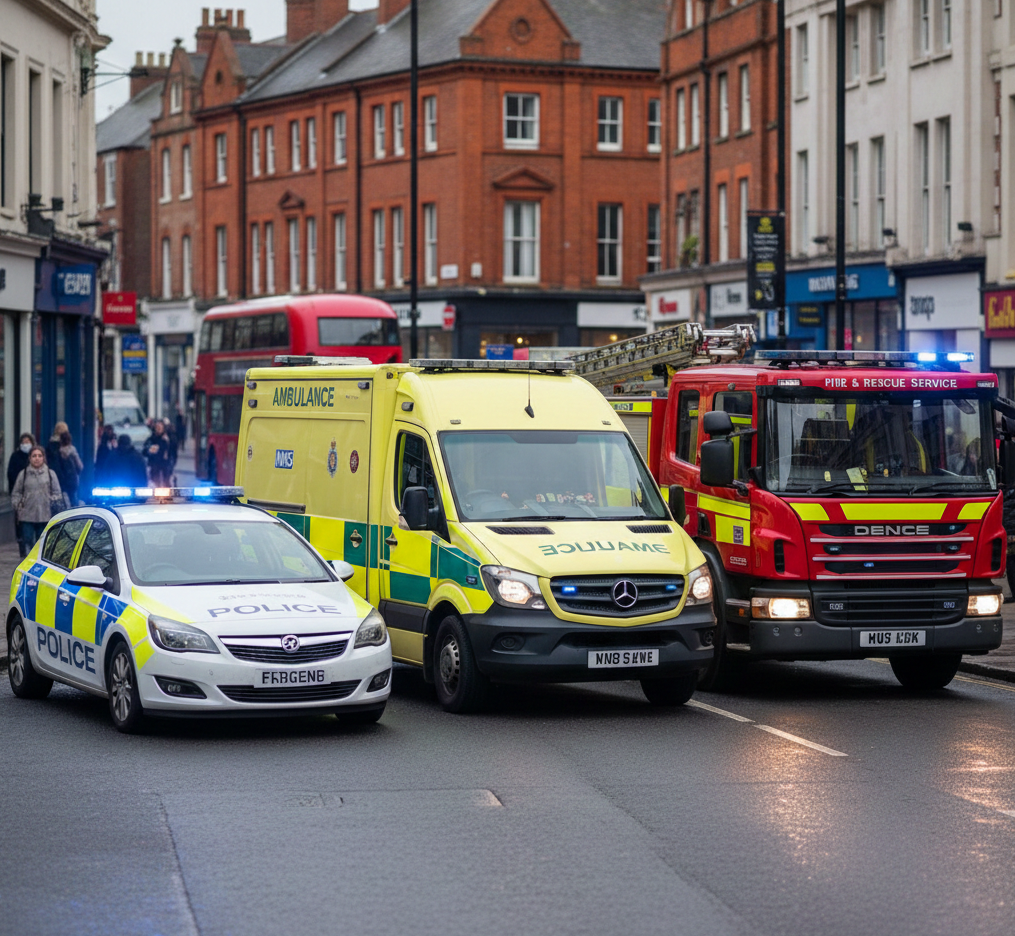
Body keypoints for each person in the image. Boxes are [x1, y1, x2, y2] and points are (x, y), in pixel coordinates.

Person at [11, 446, 63, 552]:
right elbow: (16, 493)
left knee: (42, 545)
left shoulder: (50, 474)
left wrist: (51, 500)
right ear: (30, 458)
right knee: (28, 542)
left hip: (45, 515)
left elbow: (57, 493)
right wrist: (18, 505)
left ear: (43, 458)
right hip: (26, 516)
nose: (37, 458)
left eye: (39, 456)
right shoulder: (23, 474)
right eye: (34, 456)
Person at [8, 432, 36, 558]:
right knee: (21, 524)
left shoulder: (35, 457)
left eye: (28, 442)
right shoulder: (15, 457)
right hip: (21, 497)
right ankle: (23, 547)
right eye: (23, 442)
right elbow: (11, 475)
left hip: (36, 499)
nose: (26, 444)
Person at [58, 430, 84, 507]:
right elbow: (80, 466)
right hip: (73, 478)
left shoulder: (59, 451)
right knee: (73, 498)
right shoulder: (72, 450)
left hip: (62, 478)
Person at [145, 420, 172, 486]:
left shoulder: (168, 439)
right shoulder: (151, 439)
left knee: (166, 482)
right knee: (155, 482)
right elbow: (145, 450)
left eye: (160, 427)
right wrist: (149, 451)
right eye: (157, 427)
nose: (158, 429)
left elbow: (172, 452)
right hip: (154, 464)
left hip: (165, 465)